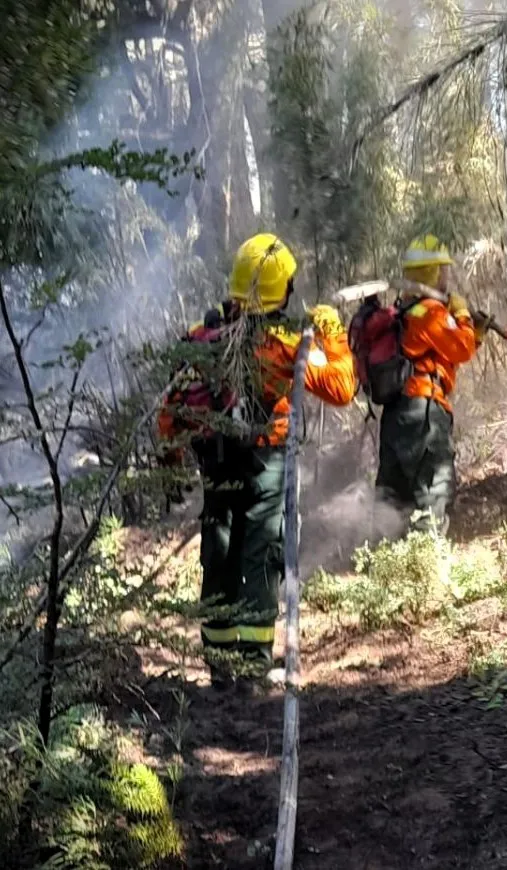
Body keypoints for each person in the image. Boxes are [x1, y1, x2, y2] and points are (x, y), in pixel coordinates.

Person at [157, 233, 356, 690]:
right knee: (261, 554)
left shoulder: (200, 338)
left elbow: (171, 410)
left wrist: (169, 461)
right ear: (279, 290)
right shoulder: (281, 343)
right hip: (266, 460)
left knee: (220, 552)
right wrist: (333, 333)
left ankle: (219, 665)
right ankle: (252, 666)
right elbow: (342, 388)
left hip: (215, 461)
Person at [375, 234, 488, 534]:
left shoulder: (406, 310)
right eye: (443, 269)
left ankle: (385, 566)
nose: (447, 275)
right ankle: (428, 563)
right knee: (432, 492)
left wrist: (473, 333)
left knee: (394, 498)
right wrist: (463, 315)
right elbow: (461, 347)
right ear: (433, 272)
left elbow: (448, 352)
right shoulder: (431, 312)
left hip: (396, 415)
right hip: (422, 412)